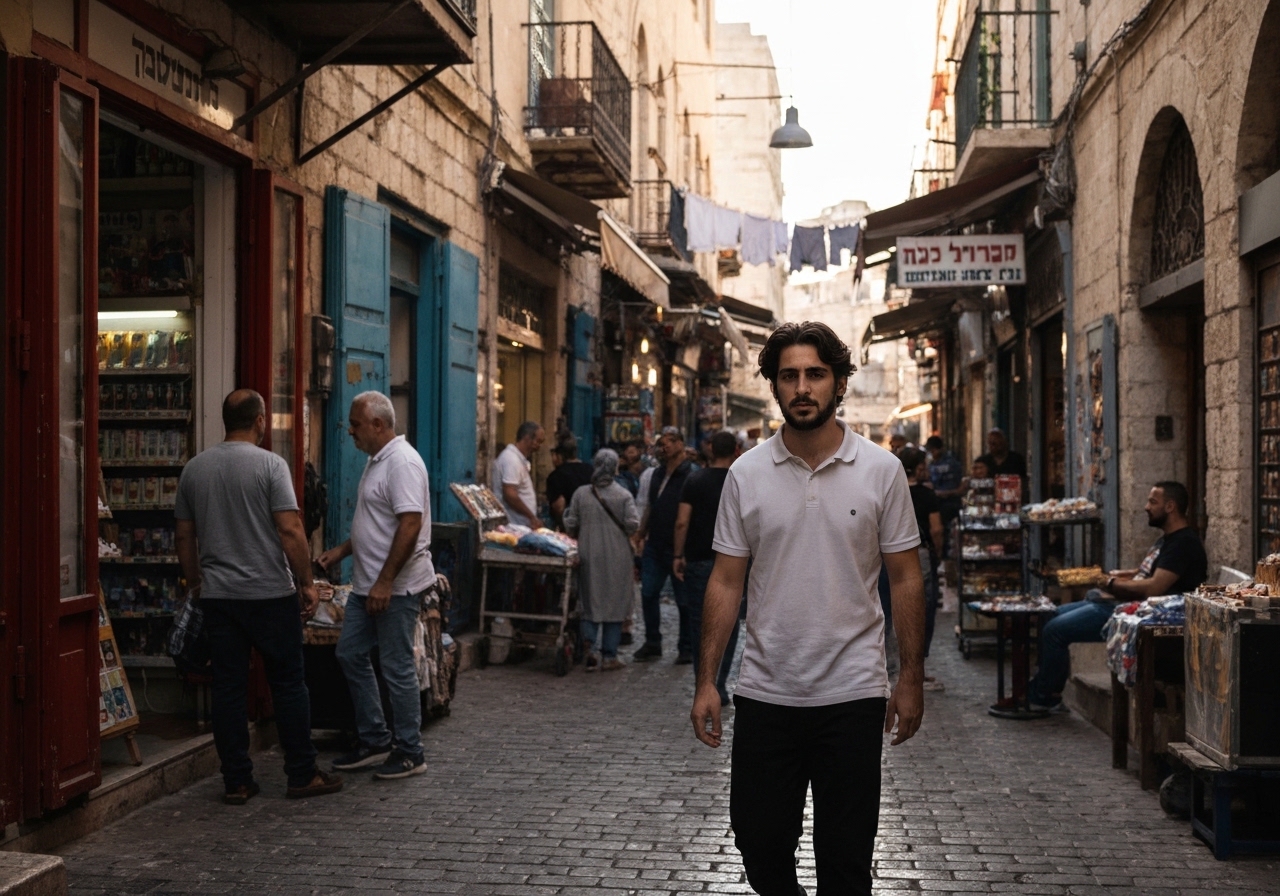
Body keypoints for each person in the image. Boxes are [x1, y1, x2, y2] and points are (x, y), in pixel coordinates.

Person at [690, 321, 926, 895]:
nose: (802, 387)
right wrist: (707, 681)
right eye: (789, 375)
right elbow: (725, 581)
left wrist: (911, 677)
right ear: (773, 384)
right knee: (758, 840)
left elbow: (906, 578)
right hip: (767, 689)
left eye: (815, 374)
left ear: (839, 382)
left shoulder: (882, 470)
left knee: (846, 860)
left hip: (853, 693)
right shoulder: (745, 473)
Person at [174, 389, 342, 804]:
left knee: (228, 688)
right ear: (261, 421)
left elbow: (184, 534)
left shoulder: (195, 469)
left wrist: (195, 582)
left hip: (219, 598)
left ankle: (237, 780)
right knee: (288, 683)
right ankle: (301, 773)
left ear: (225, 420)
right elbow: (290, 529)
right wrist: (306, 582)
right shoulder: (271, 465)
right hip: (269, 595)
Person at [317, 392, 437, 780]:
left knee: (396, 667)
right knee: (350, 653)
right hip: (368, 584)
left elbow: (410, 524)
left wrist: (386, 582)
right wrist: (341, 551)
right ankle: (375, 739)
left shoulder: (402, 463)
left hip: (395, 588)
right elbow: (378, 522)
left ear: (379, 425)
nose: (349, 430)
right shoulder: (377, 461)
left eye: (355, 423)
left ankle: (409, 751)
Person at [1027, 481, 1208, 712]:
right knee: (1048, 614)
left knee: (1055, 630)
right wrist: (1124, 574)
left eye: (1153, 501)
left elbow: (1154, 587)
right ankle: (1042, 685)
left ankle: (1045, 697)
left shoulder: (1183, 543)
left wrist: (1111, 583)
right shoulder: (1167, 539)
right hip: (1121, 601)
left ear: (1170, 506)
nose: (1146, 507)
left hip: (1139, 611)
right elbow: (1150, 571)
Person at [672, 430, 741, 705]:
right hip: (735, 562)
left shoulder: (695, 479)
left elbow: (681, 521)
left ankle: (705, 683)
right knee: (730, 623)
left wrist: (678, 554)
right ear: (735, 450)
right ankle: (720, 683)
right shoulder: (740, 480)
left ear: (711, 449)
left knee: (701, 623)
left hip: (699, 561)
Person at [563, 449, 639, 671]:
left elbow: (570, 523)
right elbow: (632, 524)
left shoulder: (581, 494)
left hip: (589, 554)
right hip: (618, 557)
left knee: (590, 601)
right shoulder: (623, 495)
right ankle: (609, 655)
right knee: (615, 604)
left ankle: (590, 651)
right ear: (615, 467)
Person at [632, 426, 695, 664]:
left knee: (683, 600)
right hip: (655, 544)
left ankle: (686, 647)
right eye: (661, 443)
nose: (664, 446)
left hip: (679, 546)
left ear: (680, 444)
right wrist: (641, 533)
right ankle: (652, 641)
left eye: (669, 441)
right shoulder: (656, 474)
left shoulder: (690, 474)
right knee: (648, 592)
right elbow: (651, 505)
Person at [899, 446, 945, 689]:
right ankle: (918, 670)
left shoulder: (892, 491)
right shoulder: (927, 495)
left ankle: (892, 668)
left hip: (891, 557)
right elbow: (936, 529)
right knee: (921, 611)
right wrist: (938, 552)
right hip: (921, 554)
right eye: (923, 465)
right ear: (918, 467)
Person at [494, 422, 544, 528]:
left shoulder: (518, 459)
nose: (539, 446)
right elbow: (510, 494)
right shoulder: (511, 459)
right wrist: (531, 517)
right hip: (514, 525)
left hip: (520, 525)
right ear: (527, 438)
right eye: (538, 441)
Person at [545, 435, 593, 529]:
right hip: (590, 524)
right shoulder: (590, 470)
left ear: (560, 455)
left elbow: (559, 506)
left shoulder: (556, 475)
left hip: (569, 527)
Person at [925, 435, 964, 544]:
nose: (932, 453)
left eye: (933, 450)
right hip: (944, 502)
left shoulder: (948, 463)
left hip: (949, 502)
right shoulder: (934, 463)